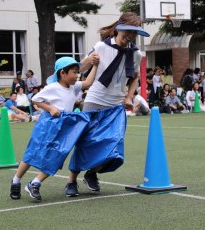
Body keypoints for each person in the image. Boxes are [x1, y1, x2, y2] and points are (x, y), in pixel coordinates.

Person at [65, 12, 150, 197]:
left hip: (115, 106)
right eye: (127, 31)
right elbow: (80, 68)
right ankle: (71, 181)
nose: (129, 36)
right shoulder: (101, 46)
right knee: (85, 142)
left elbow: (135, 77)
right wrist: (89, 60)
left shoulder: (136, 53)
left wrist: (128, 97)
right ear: (119, 28)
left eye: (134, 33)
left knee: (113, 146)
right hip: (95, 101)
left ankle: (92, 174)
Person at [10, 56, 98, 201]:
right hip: (48, 124)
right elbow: (35, 99)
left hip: (65, 125)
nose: (77, 75)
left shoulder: (74, 87)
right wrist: (50, 108)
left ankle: (35, 183)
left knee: (57, 156)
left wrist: (94, 65)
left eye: (77, 72)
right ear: (63, 73)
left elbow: (88, 82)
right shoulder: (52, 87)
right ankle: (16, 180)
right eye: (74, 72)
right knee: (33, 153)